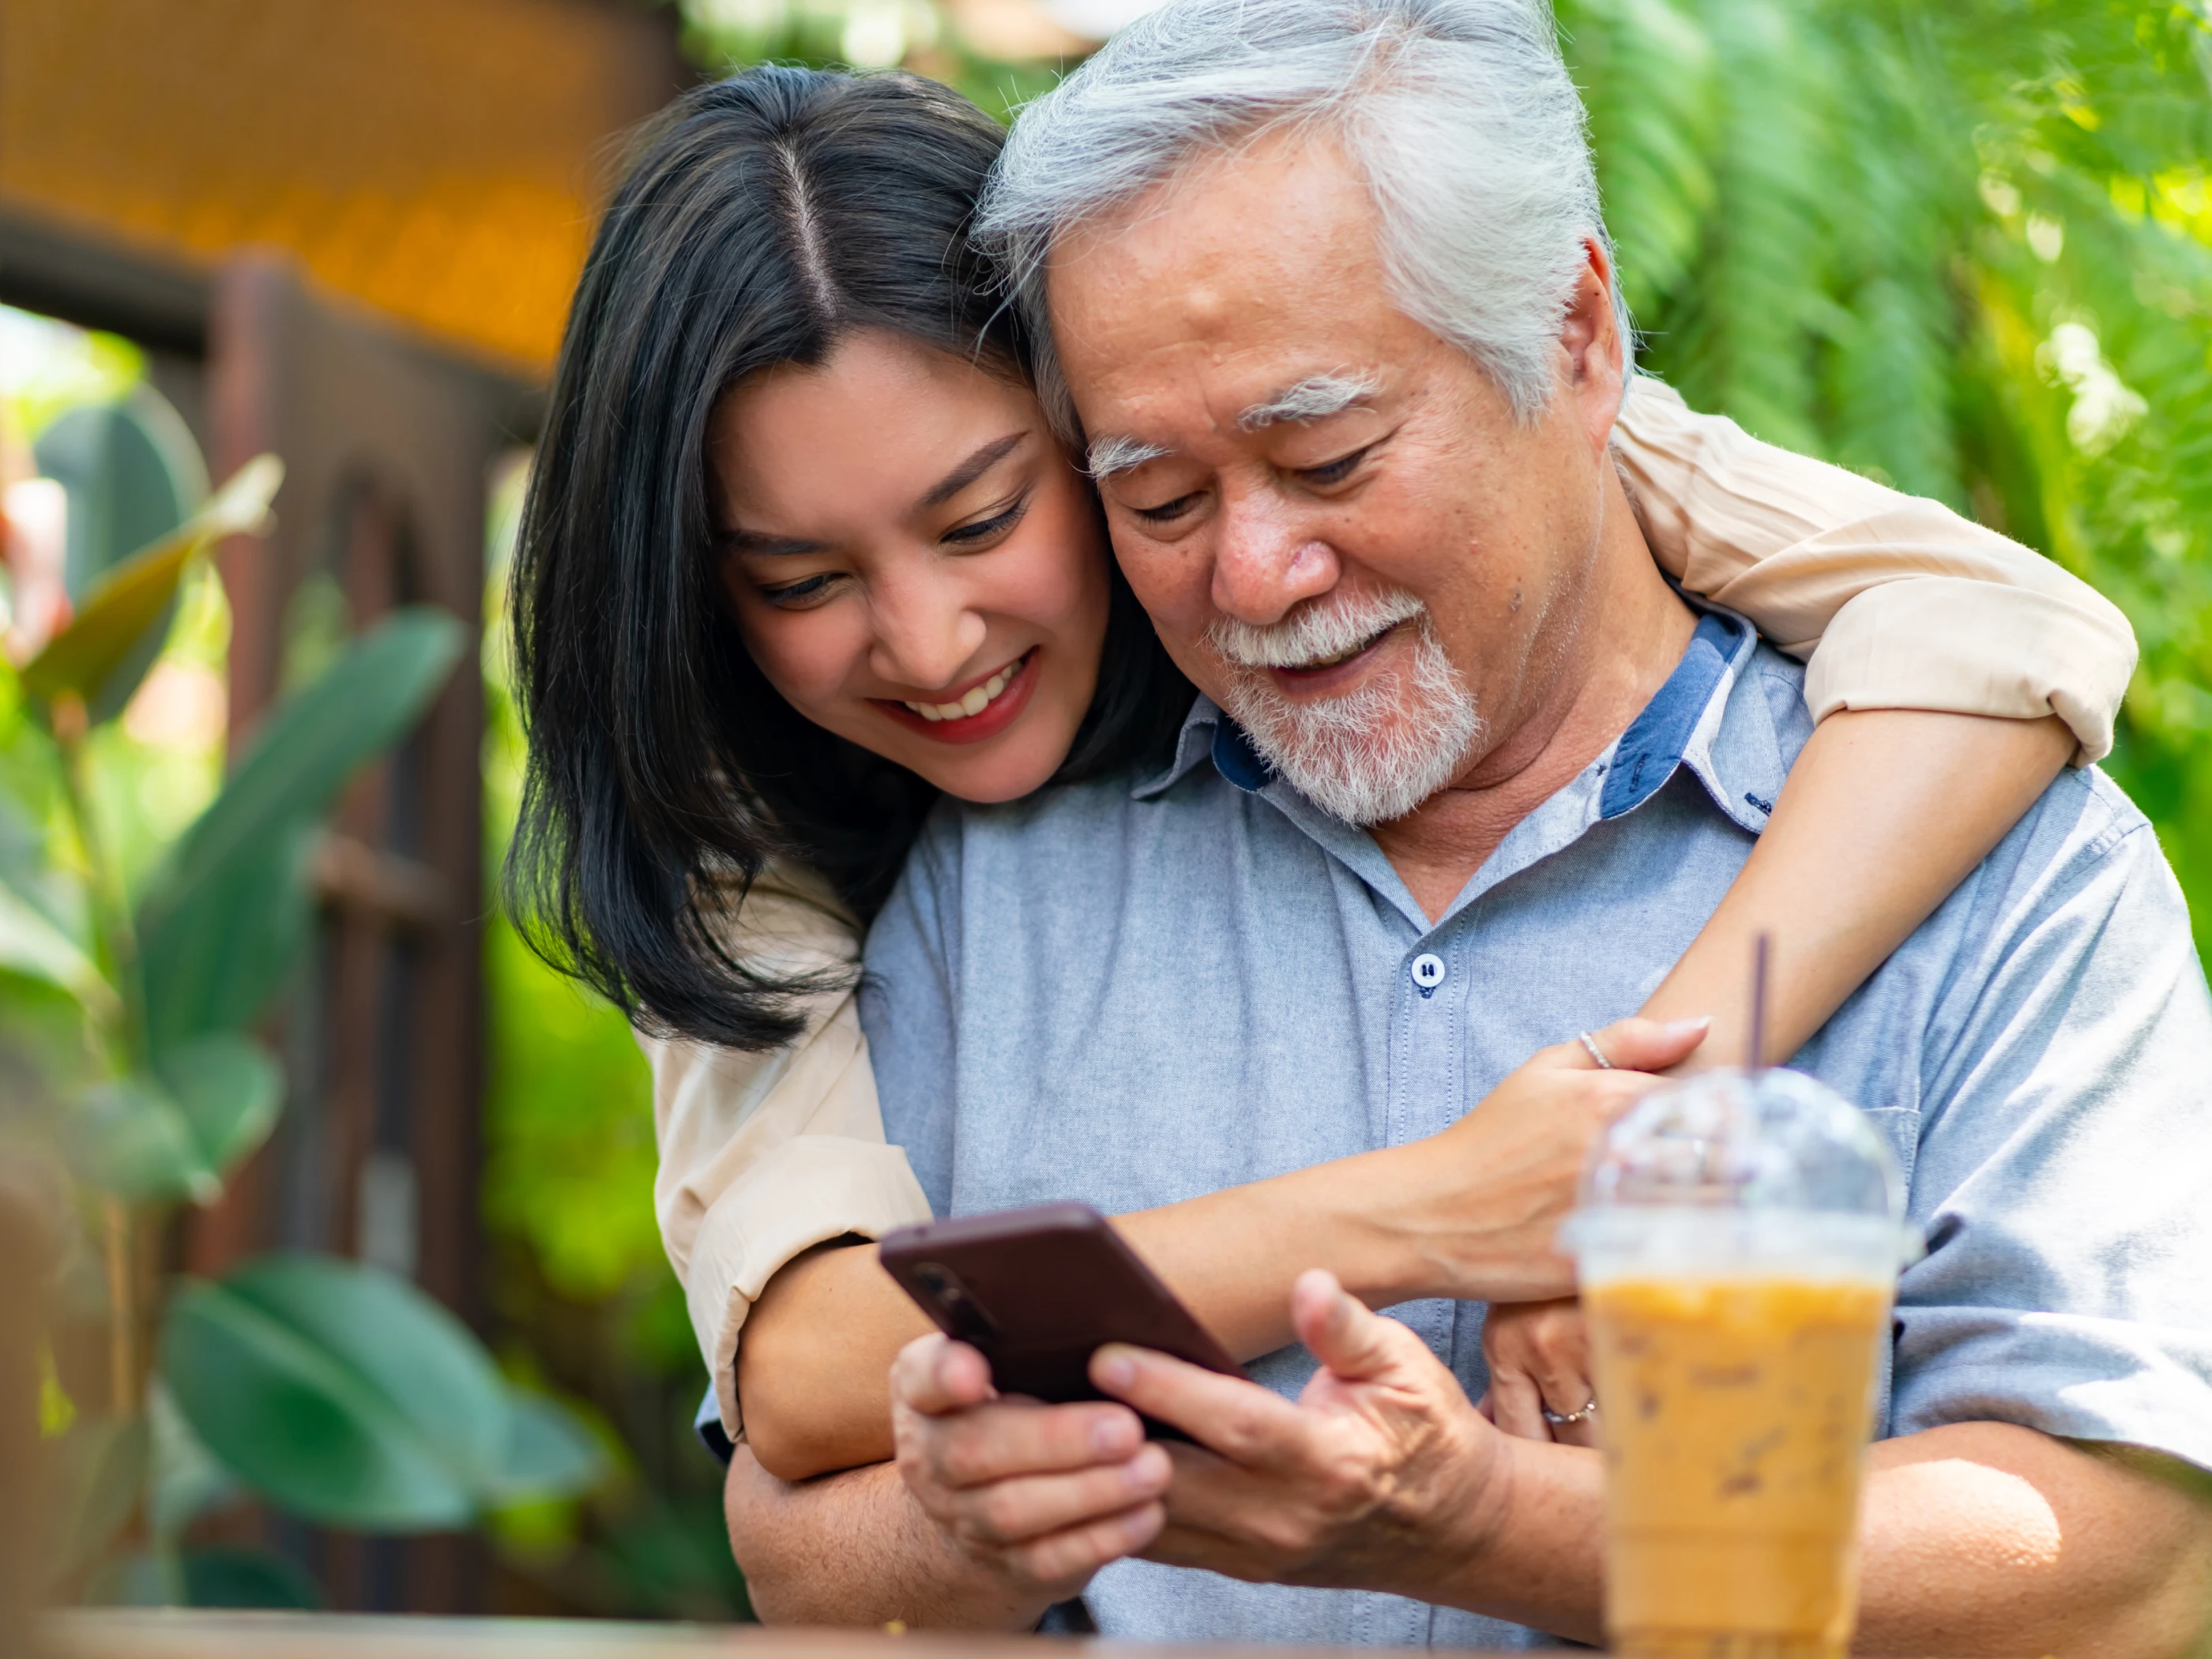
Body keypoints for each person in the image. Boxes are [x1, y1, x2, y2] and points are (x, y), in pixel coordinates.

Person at [705, 6, 2212, 1653]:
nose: (1255, 575)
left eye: (1328, 456)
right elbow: (798, 1553)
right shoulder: (991, 884)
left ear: (1572, 333)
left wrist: (1491, 1529)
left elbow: (2130, 1563)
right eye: (1158, 499)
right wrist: (979, 1519)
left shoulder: (1996, 863)